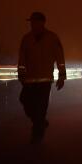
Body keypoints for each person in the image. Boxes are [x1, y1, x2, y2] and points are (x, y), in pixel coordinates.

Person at [17, 11, 66, 141]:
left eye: (34, 21)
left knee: (41, 108)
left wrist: (62, 76)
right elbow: (22, 59)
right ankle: (40, 123)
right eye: (31, 22)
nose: (32, 24)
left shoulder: (52, 38)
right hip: (29, 80)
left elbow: (60, 58)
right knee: (25, 101)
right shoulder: (26, 39)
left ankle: (37, 135)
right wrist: (21, 74)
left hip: (45, 80)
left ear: (42, 23)